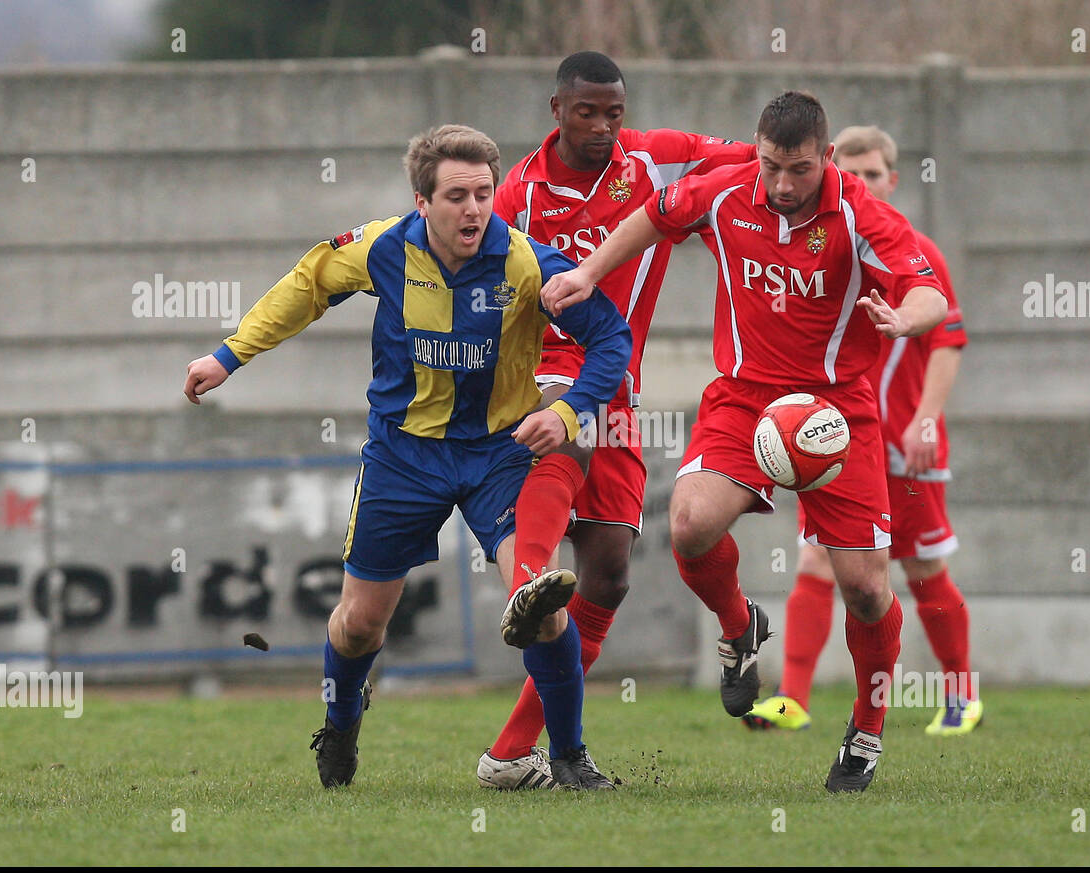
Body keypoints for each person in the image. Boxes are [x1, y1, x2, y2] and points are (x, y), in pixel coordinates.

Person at [182, 124, 632, 791]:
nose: (474, 209)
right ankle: (340, 724)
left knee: (543, 603)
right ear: (422, 201)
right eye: (456, 196)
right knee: (362, 623)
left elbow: (612, 340)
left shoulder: (528, 263)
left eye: (483, 193)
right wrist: (228, 355)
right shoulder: (383, 248)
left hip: (497, 455)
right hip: (402, 455)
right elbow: (308, 285)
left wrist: (564, 413)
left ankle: (568, 755)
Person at [543, 92, 948, 793]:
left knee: (864, 590)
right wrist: (586, 273)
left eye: (797, 169)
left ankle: (867, 731)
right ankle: (739, 630)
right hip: (744, 398)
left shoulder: (860, 212)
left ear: (825, 159)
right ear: (755, 152)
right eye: (770, 166)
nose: (782, 184)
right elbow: (653, 215)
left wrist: (904, 319)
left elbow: (930, 291)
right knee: (690, 525)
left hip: (836, 414)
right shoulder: (727, 189)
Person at [477, 51, 756, 790]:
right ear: (556, 110)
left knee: (608, 573)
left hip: (617, 385)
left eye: (613, 114)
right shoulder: (518, 193)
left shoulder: (656, 162)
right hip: (544, 370)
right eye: (585, 113)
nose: (602, 128)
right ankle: (528, 583)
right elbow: (481, 277)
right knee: (559, 425)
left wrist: (826, 160)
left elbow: (756, 160)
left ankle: (524, 751)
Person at [745, 125, 980, 737]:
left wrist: (927, 418)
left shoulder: (916, 254)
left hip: (905, 441)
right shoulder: (816, 248)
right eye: (850, 174)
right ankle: (793, 697)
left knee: (921, 568)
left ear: (891, 181)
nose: (860, 185)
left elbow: (948, 342)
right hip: (832, 440)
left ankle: (960, 695)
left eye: (872, 175)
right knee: (816, 560)